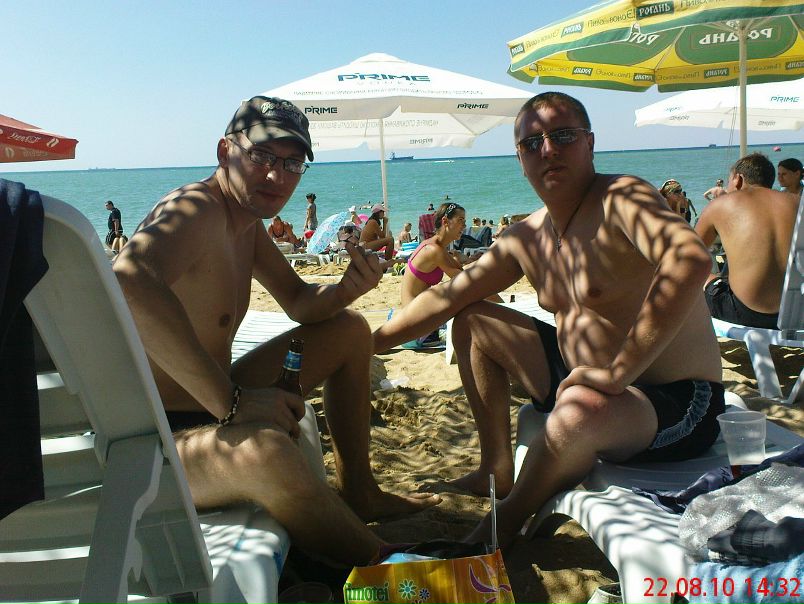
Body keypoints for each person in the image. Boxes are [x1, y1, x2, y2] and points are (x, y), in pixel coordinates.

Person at [374, 91, 723, 548]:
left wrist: (618, 373)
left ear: (590, 143)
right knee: (472, 320)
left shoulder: (623, 197)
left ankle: (499, 527)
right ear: (520, 159)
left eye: (563, 136)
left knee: (579, 411)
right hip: (580, 379)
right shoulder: (527, 236)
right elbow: (446, 297)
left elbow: (689, 259)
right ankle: (494, 467)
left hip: (674, 400)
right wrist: (367, 344)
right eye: (532, 142)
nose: (548, 149)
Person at [113, 95, 438, 566]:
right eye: (262, 156)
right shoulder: (197, 207)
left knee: (349, 329)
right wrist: (233, 403)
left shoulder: (244, 224)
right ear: (225, 151)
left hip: (211, 405)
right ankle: (391, 572)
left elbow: (300, 301)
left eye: (291, 163)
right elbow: (129, 280)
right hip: (153, 440)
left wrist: (347, 288)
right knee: (268, 453)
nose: (276, 176)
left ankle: (361, 491)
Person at [695, 153, 799, 329]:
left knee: (701, 276)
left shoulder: (721, 204)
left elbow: (689, 255)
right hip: (795, 312)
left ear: (738, 179)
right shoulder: (798, 202)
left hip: (745, 314)